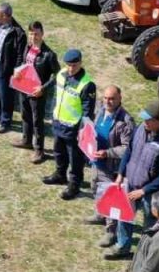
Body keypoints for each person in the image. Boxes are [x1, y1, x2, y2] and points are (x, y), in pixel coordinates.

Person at [107, 100, 159, 260]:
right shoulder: (140, 128)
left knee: (150, 224)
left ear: (158, 122)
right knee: (124, 216)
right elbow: (129, 151)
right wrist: (120, 173)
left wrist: (143, 191)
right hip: (131, 183)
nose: (144, 122)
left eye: (148, 120)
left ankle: (144, 252)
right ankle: (122, 246)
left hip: (149, 193)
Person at [83, 85, 135, 249]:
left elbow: (127, 148)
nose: (108, 101)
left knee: (111, 198)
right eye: (105, 98)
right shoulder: (100, 109)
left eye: (112, 98)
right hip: (96, 161)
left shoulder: (126, 121)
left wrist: (108, 152)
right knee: (95, 188)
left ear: (120, 98)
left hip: (111, 165)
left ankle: (111, 231)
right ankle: (100, 214)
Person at [42, 48, 95, 200]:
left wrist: (82, 131)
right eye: (69, 65)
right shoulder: (61, 74)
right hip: (58, 122)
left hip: (73, 128)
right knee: (59, 152)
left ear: (80, 63)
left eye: (75, 65)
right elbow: (55, 88)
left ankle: (74, 184)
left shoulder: (87, 84)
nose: (71, 68)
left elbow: (88, 111)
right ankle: (60, 175)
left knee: (75, 159)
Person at [14, 22, 59, 162]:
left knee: (37, 121)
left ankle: (39, 151)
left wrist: (43, 88)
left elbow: (57, 75)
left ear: (42, 34)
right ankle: (26, 140)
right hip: (24, 88)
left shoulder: (49, 54)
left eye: (37, 34)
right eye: (31, 33)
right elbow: (22, 62)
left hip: (37, 93)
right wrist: (18, 70)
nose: (34, 37)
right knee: (25, 115)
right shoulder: (28, 48)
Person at [0, 3, 25, 132]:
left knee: (5, 97)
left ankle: (5, 121)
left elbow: (20, 55)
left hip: (4, 71)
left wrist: (15, 71)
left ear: (6, 16)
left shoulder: (18, 33)